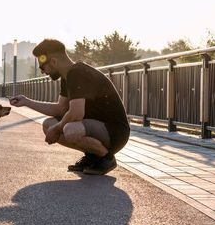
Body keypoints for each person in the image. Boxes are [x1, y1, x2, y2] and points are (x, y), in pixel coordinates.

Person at [9, 39, 130, 175]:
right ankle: (92, 156)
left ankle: (106, 158)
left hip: (115, 131)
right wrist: (26, 102)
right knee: (48, 124)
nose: (43, 72)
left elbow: (76, 114)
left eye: (43, 67)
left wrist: (57, 128)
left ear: (54, 62)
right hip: (96, 127)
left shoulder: (77, 73)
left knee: (70, 129)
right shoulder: (67, 76)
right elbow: (60, 109)